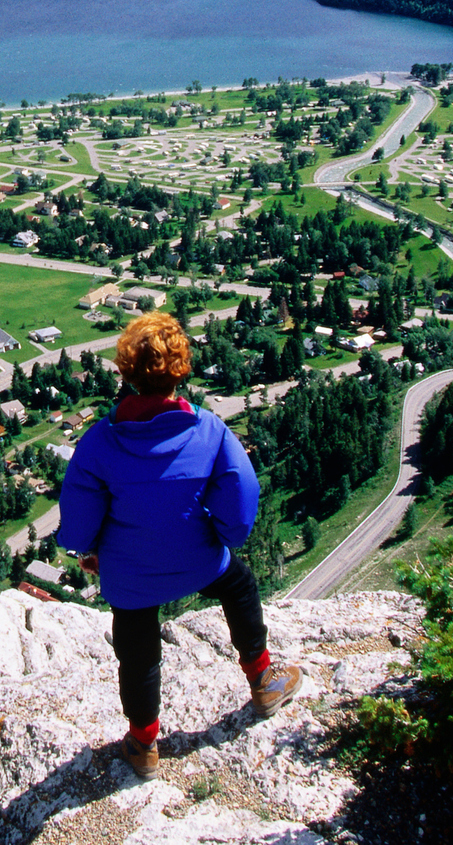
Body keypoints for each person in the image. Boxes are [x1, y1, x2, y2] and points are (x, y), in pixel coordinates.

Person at [57, 311, 303, 777]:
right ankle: (263, 679)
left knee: (138, 649)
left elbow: (79, 519)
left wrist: (89, 553)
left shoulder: (100, 443)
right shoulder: (208, 430)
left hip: (130, 577)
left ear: (126, 372)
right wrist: (225, 539)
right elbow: (242, 494)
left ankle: (145, 744)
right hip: (201, 561)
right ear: (180, 369)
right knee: (240, 586)